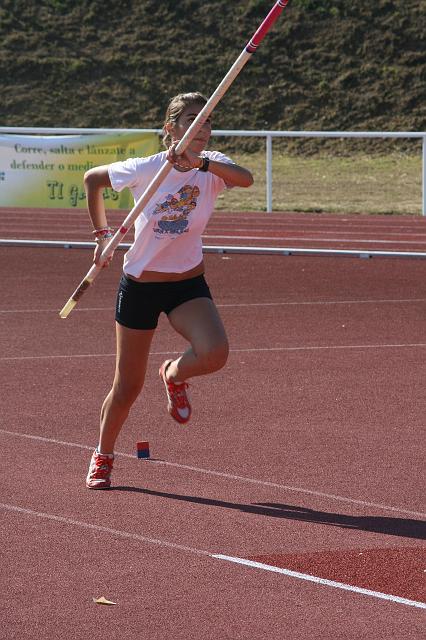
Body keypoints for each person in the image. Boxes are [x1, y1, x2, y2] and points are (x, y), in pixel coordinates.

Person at [84, 91, 253, 489]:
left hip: (187, 284)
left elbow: (246, 179)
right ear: (171, 128)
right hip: (141, 286)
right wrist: (101, 236)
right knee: (127, 387)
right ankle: (103, 454)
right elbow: (93, 180)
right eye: (193, 119)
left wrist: (204, 163)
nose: (203, 127)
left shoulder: (213, 167)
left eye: (208, 120)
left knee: (215, 353)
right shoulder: (148, 168)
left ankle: (174, 375)